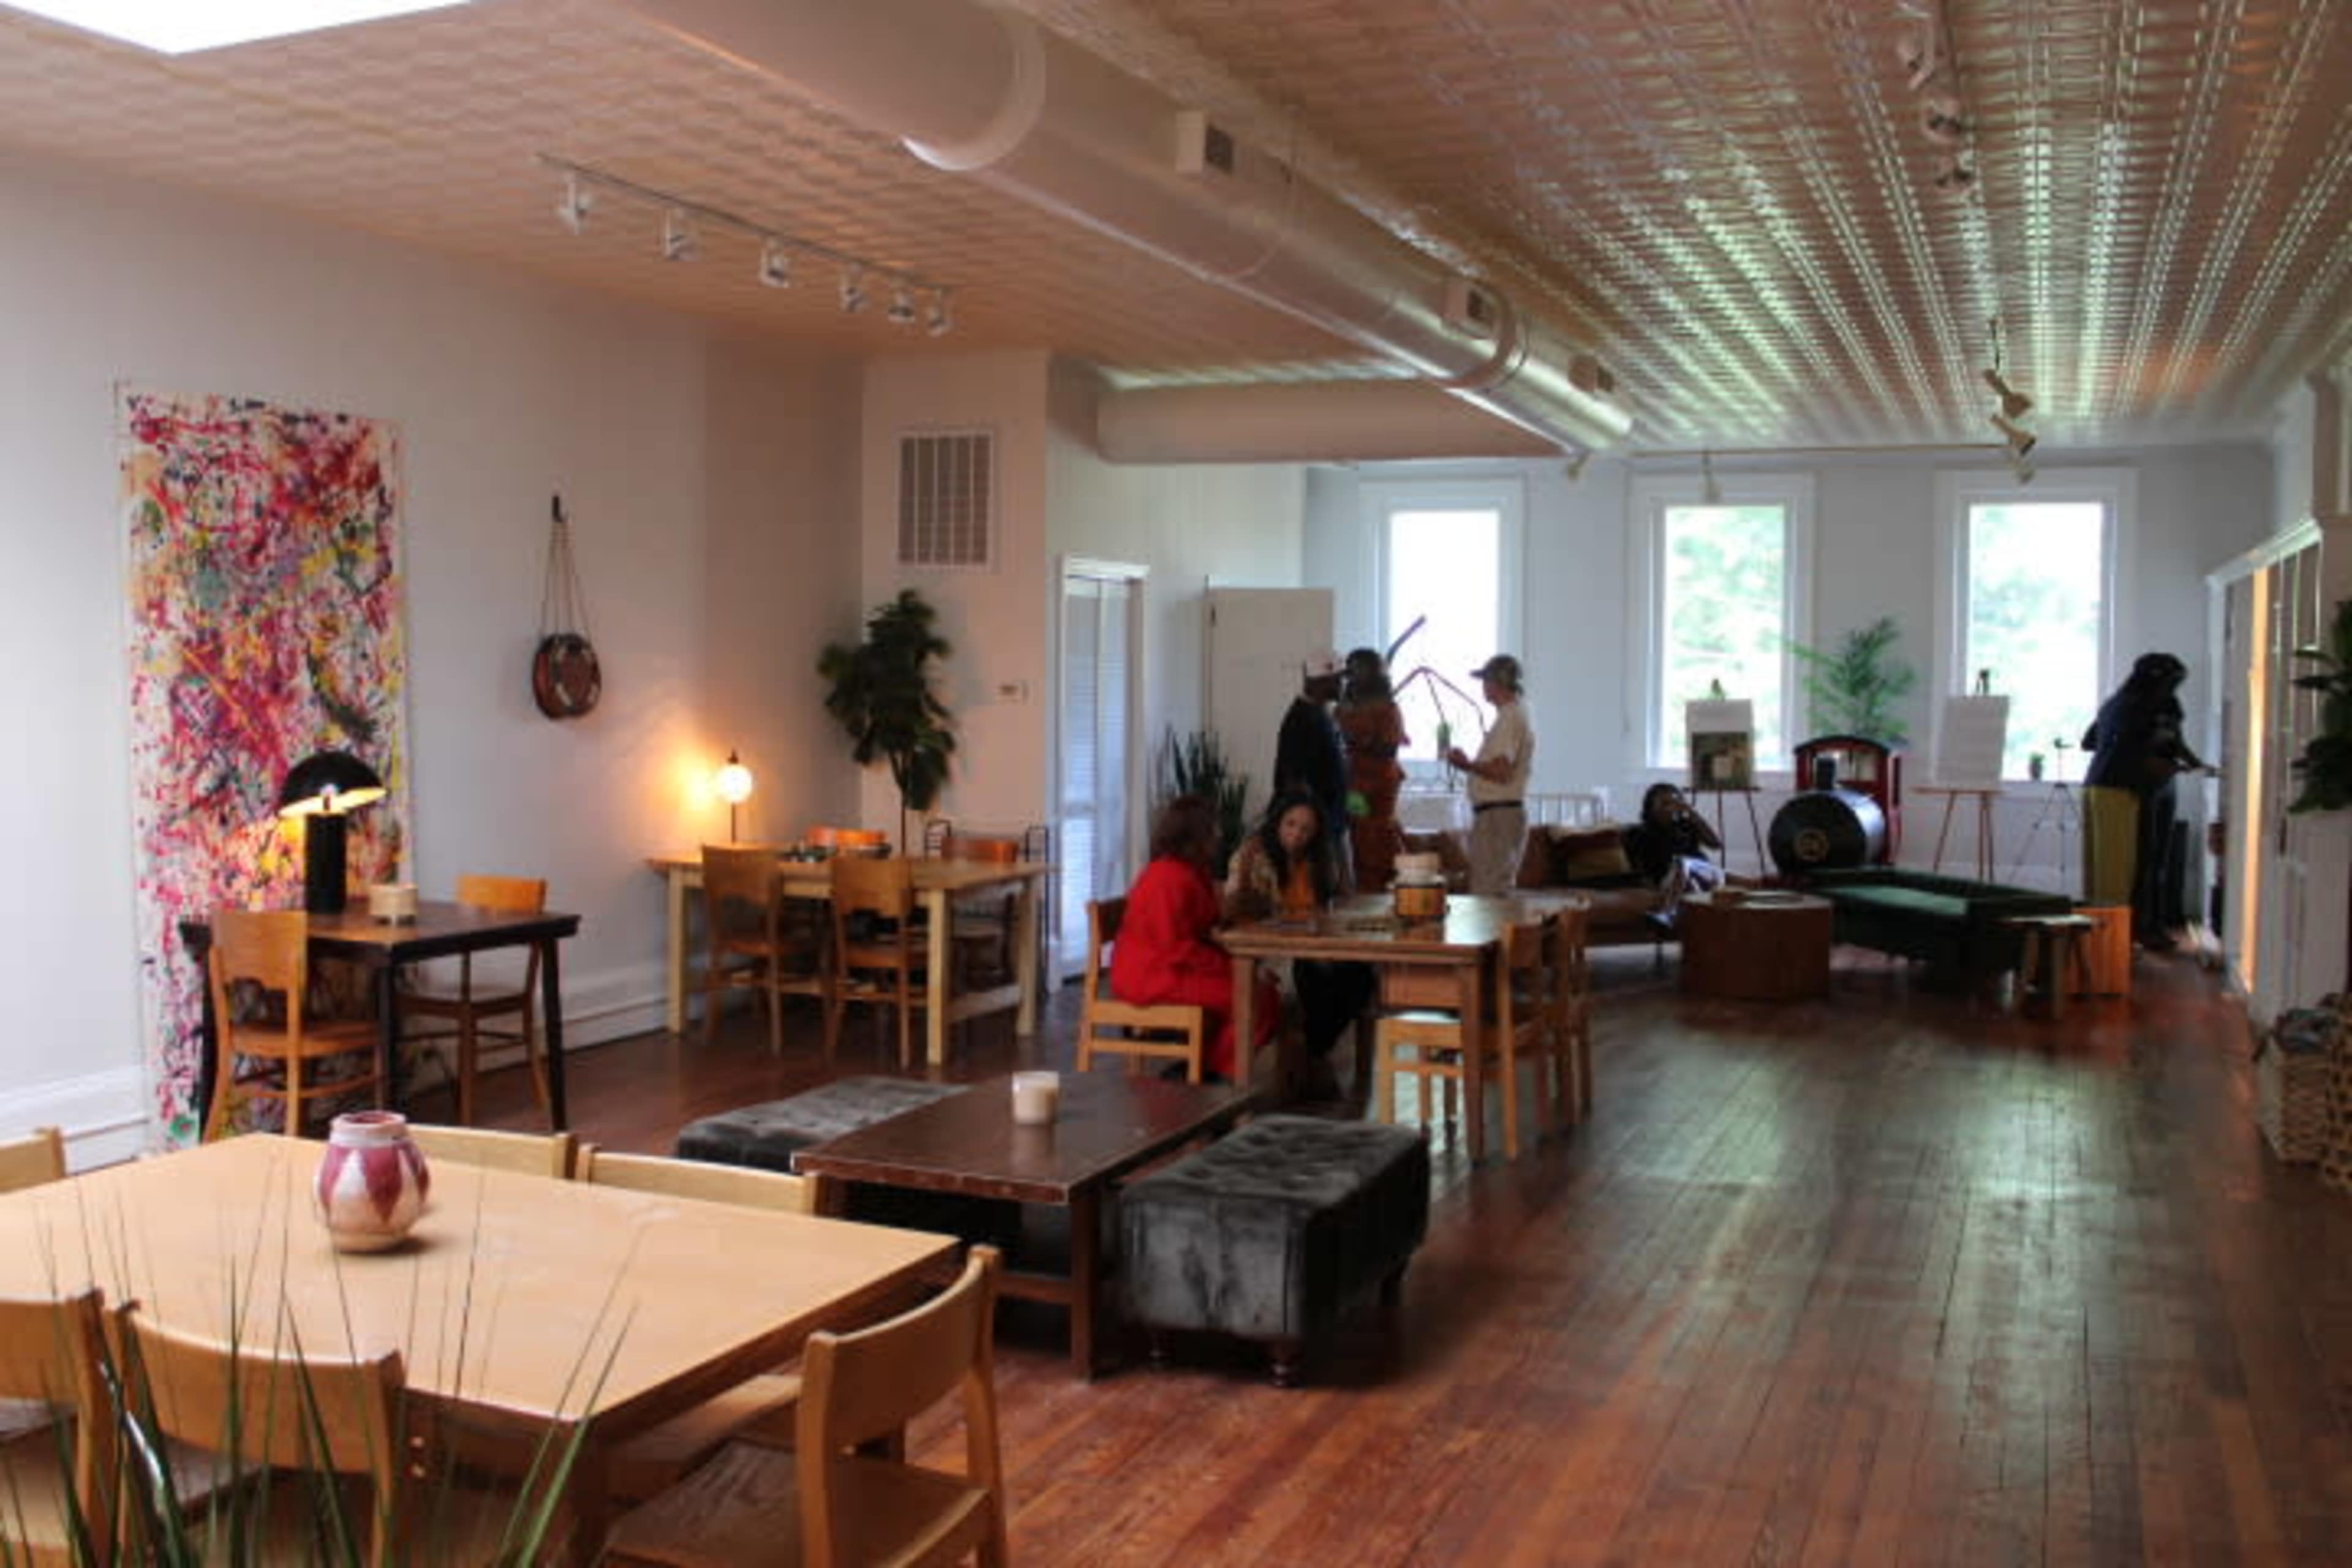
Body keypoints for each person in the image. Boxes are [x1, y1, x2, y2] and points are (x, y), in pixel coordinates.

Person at [1110, 794, 1280, 1084]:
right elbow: (1177, 949)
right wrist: (1237, 971)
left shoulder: (1191, 871)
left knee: (1260, 994)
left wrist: (1246, 968)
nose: (1220, 834)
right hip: (1154, 976)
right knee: (1256, 1000)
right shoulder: (1166, 878)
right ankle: (1217, 1076)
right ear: (1196, 835)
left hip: (1174, 969)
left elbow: (1205, 929)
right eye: (1213, 829)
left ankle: (1203, 1072)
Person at [1224, 790, 1377, 1099]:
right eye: (1291, 825)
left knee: (1362, 976)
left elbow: (1335, 901)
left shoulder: (1317, 858)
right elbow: (1240, 911)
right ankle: (1310, 1058)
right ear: (1277, 822)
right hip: (1266, 952)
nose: (1297, 835)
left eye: (1306, 829)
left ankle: (1312, 1051)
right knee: (1310, 976)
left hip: (1314, 945)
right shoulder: (1254, 855)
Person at [2082, 650, 2208, 951]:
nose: (2175, 687)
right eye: (2173, 681)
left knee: (2150, 861)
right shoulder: (2130, 706)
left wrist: (2192, 762)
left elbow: (2172, 742)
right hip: (2123, 790)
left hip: (2141, 788)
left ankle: (2139, 929)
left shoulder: (2131, 703)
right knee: (2133, 865)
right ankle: (2126, 934)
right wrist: (2170, 764)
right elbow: (2100, 744)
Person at [1446, 654, 1536, 895]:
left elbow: (1501, 771)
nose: (1483, 687)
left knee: (1489, 895)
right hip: (1501, 814)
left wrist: (1466, 765)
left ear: (1497, 683)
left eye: (1486, 681)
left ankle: (1496, 935)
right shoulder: (1518, 713)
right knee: (1494, 891)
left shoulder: (1509, 717)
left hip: (1498, 816)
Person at [1272, 650, 1352, 883]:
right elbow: (1294, 784)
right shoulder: (1300, 721)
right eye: (1338, 679)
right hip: (1316, 835)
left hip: (1329, 827)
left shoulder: (1319, 715)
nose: (1342, 684)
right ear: (1320, 681)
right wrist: (1309, 834)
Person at [1336, 646, 1409, 891]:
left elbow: (1374, 741)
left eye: (1354, 676)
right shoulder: (1384, 709)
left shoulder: (1384, 711)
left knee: (1371, 846)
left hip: (1370, 784)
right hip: (1363, 783)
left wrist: (1347, 719)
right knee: (1363, 843)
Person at [1624, 782, 1724, 933]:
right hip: (1671, 882)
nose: (1671, 808)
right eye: (1664, 803)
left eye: (1675, 802)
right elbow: (1635, 865)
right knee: (1689, 884)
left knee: (1682, 862)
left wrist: (1692, 813)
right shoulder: (1639, 833)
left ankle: (1667, 913)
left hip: (1705, 872)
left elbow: (1716, 844)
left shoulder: (1686, 825)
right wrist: (1646, 884)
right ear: (1651, 807)